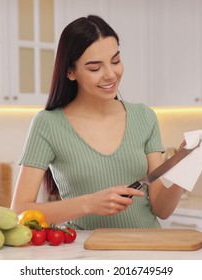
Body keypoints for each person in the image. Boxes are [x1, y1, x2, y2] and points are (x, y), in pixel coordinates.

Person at [10, 15, 184, 230]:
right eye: (95, 68)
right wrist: (90, 203)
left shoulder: (144, 116)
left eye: (116, 61)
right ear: (70, 72)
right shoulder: (48, 124)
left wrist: (185, 166)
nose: (111, 75)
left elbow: (162, 210)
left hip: (147, 248)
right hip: (86, 253)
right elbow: (19, 211)